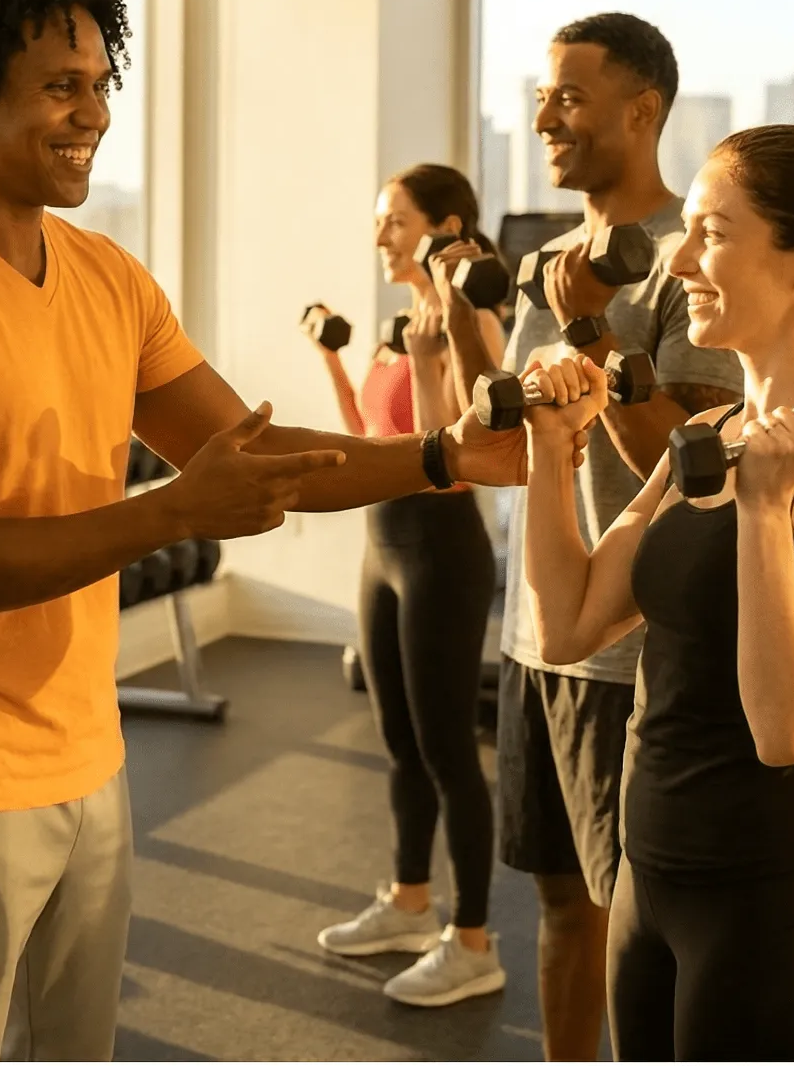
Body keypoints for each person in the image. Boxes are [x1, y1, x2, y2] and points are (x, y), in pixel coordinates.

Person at [0, 0, 565, 1065]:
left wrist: (440, 457)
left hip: (85, 758)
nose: (95, 113)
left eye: (102, 84)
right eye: (60, 87)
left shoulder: (107, 278)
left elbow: (244, 449)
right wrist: (170, 512)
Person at [521, 123, 794, 1062]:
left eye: (714, 233)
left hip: (763, 899)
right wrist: (548, 450)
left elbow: (790, 730)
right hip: (644, 874)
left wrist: (760, 513)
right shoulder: (710, 432)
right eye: (684, 231)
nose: (683, 260)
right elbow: (570, 624)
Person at [493, 14, 743, 1060]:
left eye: (568, 96)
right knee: (556, 902)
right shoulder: (546, 261)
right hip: (533, 631)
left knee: (626, 917)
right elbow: (506, 434)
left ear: (641, 111)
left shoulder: (688, 268)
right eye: (542, 97)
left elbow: (689, 475)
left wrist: (593, 332)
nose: (546, 116)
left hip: (626, 650)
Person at [307, 166, 507, 1007]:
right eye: (378, 221)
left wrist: (431, 355)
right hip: (380, 544)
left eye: (393, 221)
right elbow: (367, 435)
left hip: (439, 548)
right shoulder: (399, 328)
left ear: (441, 227)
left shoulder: (470, 321)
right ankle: (410, 903)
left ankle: (472, 942)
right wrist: (331, 360)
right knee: (397, 739)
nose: (380, 236)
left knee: (449, 749)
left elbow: (455, 453)